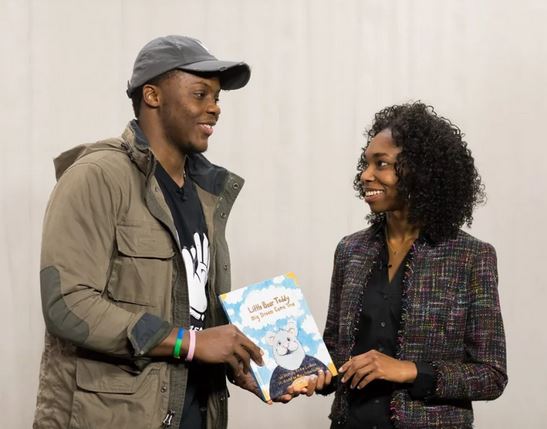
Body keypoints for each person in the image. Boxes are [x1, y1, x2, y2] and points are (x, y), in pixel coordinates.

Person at [34, 35, 266, 429]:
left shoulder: (204, 195)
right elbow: (67, 304)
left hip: (195, 414)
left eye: (217, 98)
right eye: (200, 94)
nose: (214, 108)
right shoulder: (97, 177)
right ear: (153, 95)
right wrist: (192, 343)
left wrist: (236, 359)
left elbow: (188, 312)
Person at [318, 102, 507, 428]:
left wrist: (409, 370)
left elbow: (491, 375)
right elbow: (335, 353)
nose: (366, 175)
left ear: (421, 172)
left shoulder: (470, 258)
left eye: (382, 164)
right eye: (366, 163)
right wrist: (307, 373)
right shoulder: (350, 250)